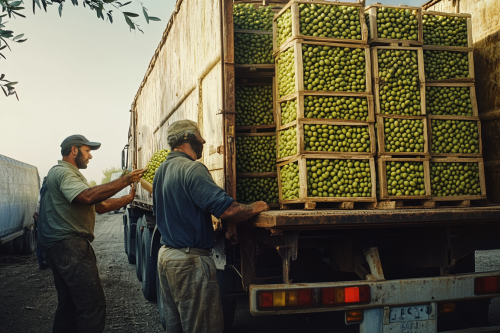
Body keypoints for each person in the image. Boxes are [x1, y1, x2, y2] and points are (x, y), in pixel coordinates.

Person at [153, 120, 270, 333]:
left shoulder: (162, 170)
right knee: (203, 326)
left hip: (167, 257)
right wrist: (257, 206)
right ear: (188, 138)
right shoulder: (193, 168)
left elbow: (177, 213)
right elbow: (227, 210)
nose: (203, 140)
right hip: (190, 262)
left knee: (176, 326)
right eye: (199, 135)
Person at [37, 134, 147, 333]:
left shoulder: (67, 175)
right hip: (69, 247)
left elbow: (101, 206)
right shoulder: (64, 173)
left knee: (69, 306)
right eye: (87, 151)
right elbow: (87, 197)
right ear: (74, 150)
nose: (90, 156)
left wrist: (128, 199)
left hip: (59, 247)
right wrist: (126, 180)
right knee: (92, 305)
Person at [33, 177, 49, 270]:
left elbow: (35, 213)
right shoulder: (45, 194)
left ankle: (42, 263)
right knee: (43, 243)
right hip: (44, 223)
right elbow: (35, 213)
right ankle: (43, 263)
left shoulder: (42, 193)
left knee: (41, 243)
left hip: (41, 222)